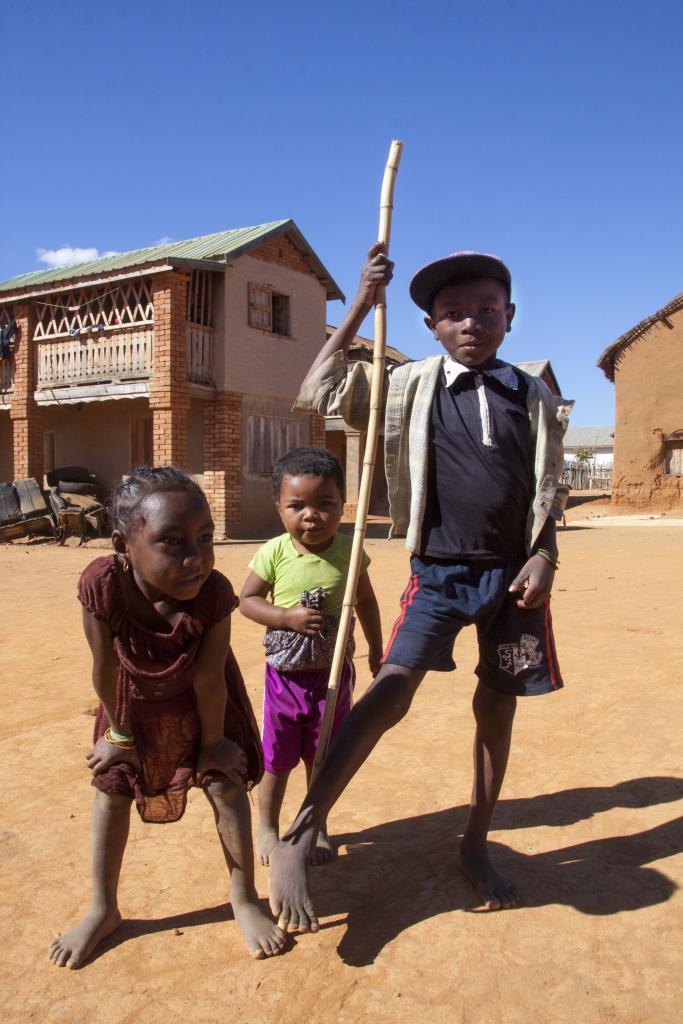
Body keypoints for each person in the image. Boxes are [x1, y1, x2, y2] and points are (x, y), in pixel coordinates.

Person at [267, 244, 573, 932]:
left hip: (515, 581)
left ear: (509, 317)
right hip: (436, 572)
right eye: (453, 314)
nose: (471, 323)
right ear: (432, 326)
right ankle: (302, 828)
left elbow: (547, 491)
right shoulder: (404, 384)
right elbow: (313, 391)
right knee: (390, 689)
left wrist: (546, 555)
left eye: (485, 311)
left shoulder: (534, 396)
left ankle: (474, 841)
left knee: (497, 711)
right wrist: (357, 308)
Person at [48, 467, 286, 968]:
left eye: (205, 538)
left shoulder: (213, 593)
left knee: (224, 784)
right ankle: (103, 908)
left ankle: (243, 898)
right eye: (171, 542)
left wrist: (215, 743)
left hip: (206, 706)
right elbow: (105, 667)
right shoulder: (102, 586)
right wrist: (119, 735)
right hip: (129, 704)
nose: (194, 557)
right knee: (111, 787)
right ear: (123, 544)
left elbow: (209, 679)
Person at [239, 447, 383, 867]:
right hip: (285, 678)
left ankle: (316, 824)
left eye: (325, 505)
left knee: (323, 757)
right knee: (277, 757)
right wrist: (284, 616)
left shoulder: (351, 552)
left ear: (342, 505)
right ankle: (266, 826)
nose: (312, 516)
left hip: (334, 677)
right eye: (297, 506)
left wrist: (376, 647)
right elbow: (247, 600)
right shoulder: (274, 552)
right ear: (278, 508)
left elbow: (367, 600)